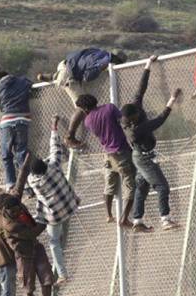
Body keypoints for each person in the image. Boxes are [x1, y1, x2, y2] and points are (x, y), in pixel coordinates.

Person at [121, 55, 181, 231]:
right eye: (135, 117)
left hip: (141, 156)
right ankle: (165, 219)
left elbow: (141, 88)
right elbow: (160, 120)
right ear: (131, 118)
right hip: (144, 158)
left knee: (142, 187)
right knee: (162, 186)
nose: (139, 115)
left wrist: (148, 64)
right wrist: (172, 99)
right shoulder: (135, 129)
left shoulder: (135, 107)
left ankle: (137, 221)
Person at [66, 94, 139, 228]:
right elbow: (123, 121)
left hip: (108, 154)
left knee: (109, 185)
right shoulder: (109, 108)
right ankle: (124, 218)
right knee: (130, 186)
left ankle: (108, 215)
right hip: (121, 152)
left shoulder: (88, 121)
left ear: (84, 108)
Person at [27, 115, 80, 285]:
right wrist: (54, 126)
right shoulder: (54, 165)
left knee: (53, 242)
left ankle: (62, 274)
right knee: (58, 225)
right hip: (71, 205)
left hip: (55, 216)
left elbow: (27, 182)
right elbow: (55, 148)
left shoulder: (32, 181)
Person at [0, 161, 54, 296]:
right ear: (6, 211)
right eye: (14, 211)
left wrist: (26, 161)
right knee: (29, 288)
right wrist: (50, 218)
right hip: (24, 255)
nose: (18, 211)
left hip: (35, 247)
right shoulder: (9, 224)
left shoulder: (15, 203)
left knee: (47, 279)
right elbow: (32, 232)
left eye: (18, 208)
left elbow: (21, 180)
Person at [37, 48, 126, 106]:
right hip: (69, 76)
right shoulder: (105, 61)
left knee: (64, 73)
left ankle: (54, 76)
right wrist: (100, 69)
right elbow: (86, 77)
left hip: (64, 63)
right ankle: (71, 133)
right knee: (83, 105)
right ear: (116, 60)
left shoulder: (99, 52)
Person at [0, 71, 34, 191]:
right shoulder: (23, 80)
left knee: (6, 155)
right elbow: (30, 84)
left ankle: (10, 183)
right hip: (22, 120)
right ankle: (27, 184)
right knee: (21, 152)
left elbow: (1, 107)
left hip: (7, 121)